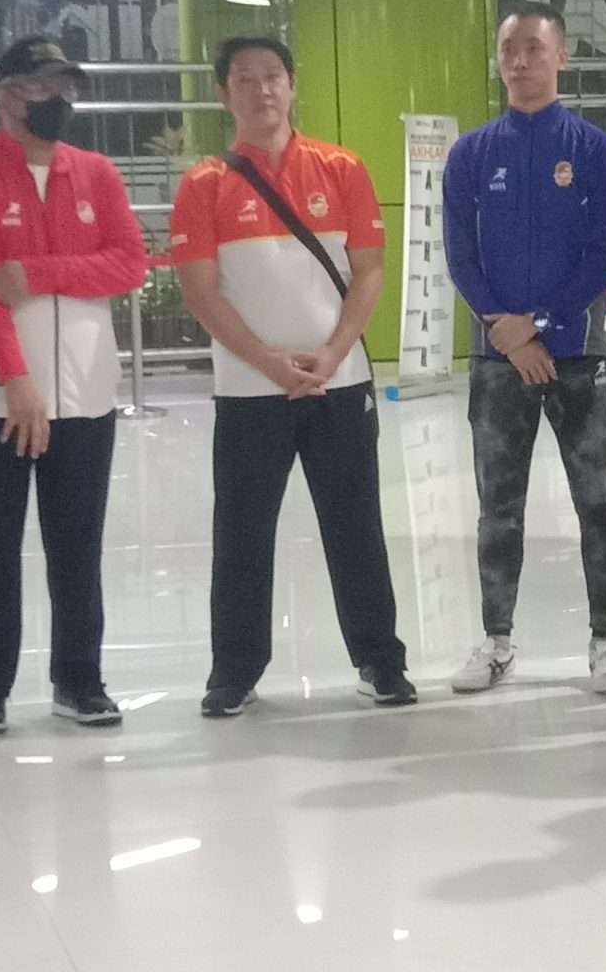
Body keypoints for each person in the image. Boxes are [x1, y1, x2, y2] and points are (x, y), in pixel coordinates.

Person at [171, 36, 416, 717]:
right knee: (242, 533)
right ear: (223, 94)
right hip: (250, 391)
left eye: (273, 75)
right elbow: (200, 291)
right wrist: (268, 362)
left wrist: (333, 354)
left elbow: (369, 272)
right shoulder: (204, 185)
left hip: (340, 383)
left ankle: (380, 661)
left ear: (292, 84)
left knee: (356, 526)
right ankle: (234, 671)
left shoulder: (341, 168)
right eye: (244, 79)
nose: (262, 90)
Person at [0, 36, 150, 735]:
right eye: (41, 87)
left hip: (83, 395)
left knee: (77, 545)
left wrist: (38, 272)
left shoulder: (95, 172)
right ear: (5, 95)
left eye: (66, 88)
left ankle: (79, 682)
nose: (58, 100)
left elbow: (129, 263)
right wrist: (17, 382)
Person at [441, 3, 606, 696]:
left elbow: (605, 249)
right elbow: (460, 254)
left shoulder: (594, 151)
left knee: (598, 501)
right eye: (508, 49)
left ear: (562, 57)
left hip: (574, 352)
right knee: (499, 506)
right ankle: (496, 641)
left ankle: (605, 642)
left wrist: (542, 326)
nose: (519, 61)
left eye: (533, 48)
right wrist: (506, 329)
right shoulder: (470, 154)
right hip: (498, 358)